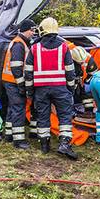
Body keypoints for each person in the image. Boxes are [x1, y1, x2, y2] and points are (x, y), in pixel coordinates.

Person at [24, 17, 78, 160]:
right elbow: (70, 71)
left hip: (41, 90)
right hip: (60, 88)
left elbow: (28, 72)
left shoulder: (34, 48)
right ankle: (64, 144)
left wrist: (29, 91)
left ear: (42, 30)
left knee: (43, 116)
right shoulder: (64, 47)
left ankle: (44, 145)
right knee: (65, 116)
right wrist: (70, 88)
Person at [1, 19, 37, 149]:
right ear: (25, 30)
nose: (33, 33)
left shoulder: (20, 42)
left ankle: (9, 134)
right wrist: (22, 86)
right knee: (18, 109)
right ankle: (18, 140)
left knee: (13, 107)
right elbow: (17, 67)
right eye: (32, 30)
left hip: (10, 80)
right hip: (14, 82)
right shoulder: (19, 44)